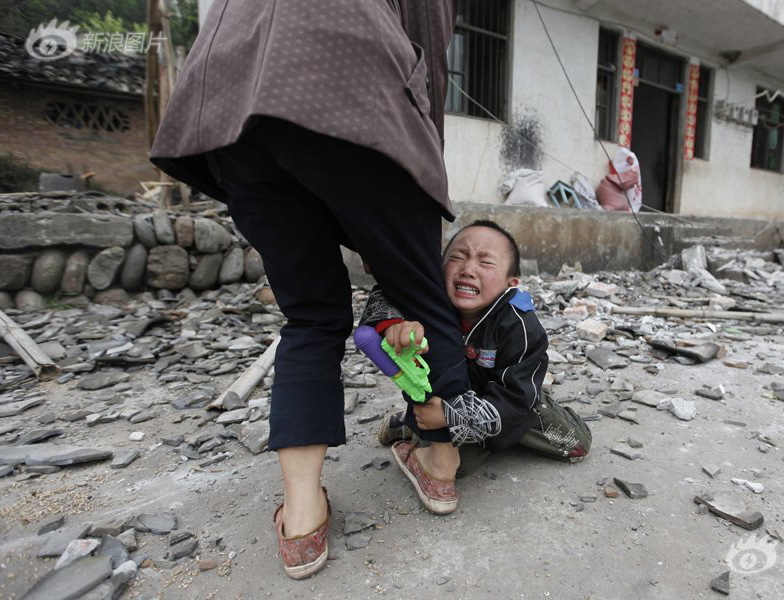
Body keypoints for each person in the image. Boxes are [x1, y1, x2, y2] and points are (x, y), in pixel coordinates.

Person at [148, 1, 474, 580]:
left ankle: (302, 518)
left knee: (311, 316)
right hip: (353, 87)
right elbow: (426, 54)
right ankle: (440, 461)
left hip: (234, 104)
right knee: (422, 295)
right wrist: (422, 175)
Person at [360, 220, 592, 480]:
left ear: (511, 282)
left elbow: (515, 398)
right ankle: (415, 422)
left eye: (486, 262)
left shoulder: (520, 325)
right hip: (447, 395)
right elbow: (387, 292)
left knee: (577, 445)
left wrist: (452, 416)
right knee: (458, 466)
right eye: (457, 257)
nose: (468, 269)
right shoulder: (431, 298)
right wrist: (393, 325)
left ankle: (416, 422)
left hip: (507, 399)